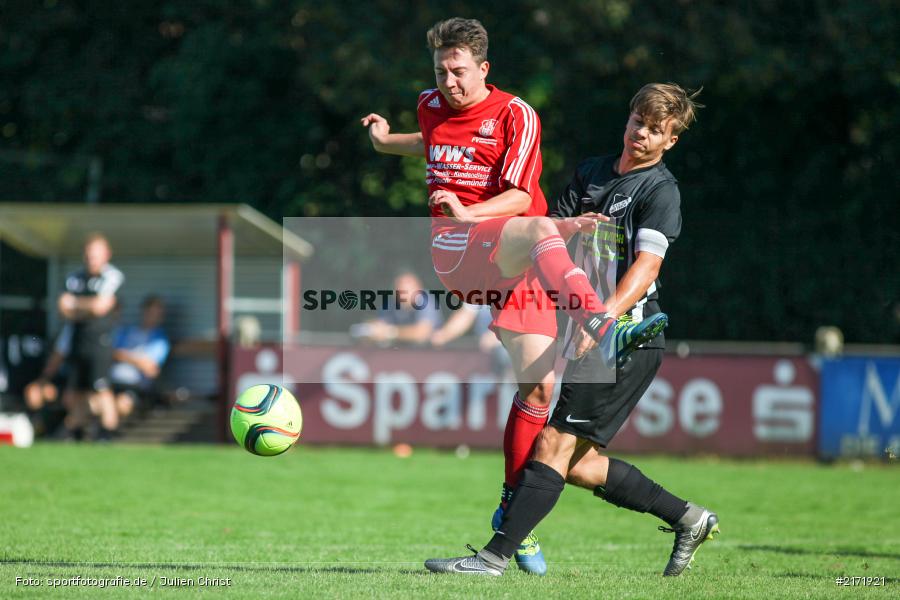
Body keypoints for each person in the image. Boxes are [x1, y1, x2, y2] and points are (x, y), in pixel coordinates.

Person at [362, 17, 667, 574]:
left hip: (517, 260)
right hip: (459, 247)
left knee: (539, 387)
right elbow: (436, 146)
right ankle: (600, 322)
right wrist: (390, 146)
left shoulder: (515, 113)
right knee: (542, 226)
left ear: (484, 68)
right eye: (440, 71)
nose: (448, 82)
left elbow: (520, 191)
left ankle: (511, 520)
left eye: (458, 71)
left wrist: (394, 150)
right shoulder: (430, 104)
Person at [425, 83, 719, 578]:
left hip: (629, 336)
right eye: (637, 122)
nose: (641, 135)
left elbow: (646, 268)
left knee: (551, 446)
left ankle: (492, 558)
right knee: (577, 464)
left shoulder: (660, 191)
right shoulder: (593, 172)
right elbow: (547, 232)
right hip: (588, 333)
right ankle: (690, 518)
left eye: (655, 130)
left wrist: (602, 318)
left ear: (671, 141)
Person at [58, 233, 124, 440]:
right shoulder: (74, 278)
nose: (91, 260)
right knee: (77, 390)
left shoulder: (112, 276)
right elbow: (62, 307)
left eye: (95, 255)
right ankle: (75, 431)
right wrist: (87, 306)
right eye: (88, 255)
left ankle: (108, 432)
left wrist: (76, 305)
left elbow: (100, 307)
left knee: (101, 388)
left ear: (106, 255)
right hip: (78, 341)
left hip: (99, 341)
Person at [109, 295, 170, 419]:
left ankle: (106, 434)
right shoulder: (126, 331)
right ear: (144, 311)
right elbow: (111, 352)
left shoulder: (160, 339)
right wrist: (136, 360)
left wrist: (124, 356)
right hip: (111, 379)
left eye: (158, 314)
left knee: (121, 404)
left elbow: (151, 368)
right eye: (150, 312)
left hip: (135, 385)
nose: (154, 317)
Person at [351, 270, 442, 346]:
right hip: (398, 356)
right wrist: (372, 330)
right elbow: (380, 324)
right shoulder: (391, 302)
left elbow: (422, 333)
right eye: (399, 290)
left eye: (406, 291)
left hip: (431, 356)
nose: (402, 295)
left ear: (418, 289)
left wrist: (391, 332)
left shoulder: (426, 301)